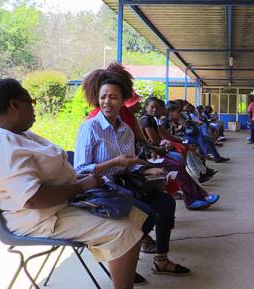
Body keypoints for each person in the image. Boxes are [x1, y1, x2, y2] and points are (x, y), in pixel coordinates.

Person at [0, 79, 146, 289]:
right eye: (30, 101)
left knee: (135, 214)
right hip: (40, 218)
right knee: (126, 232)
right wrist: (82, 186)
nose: (34, 107)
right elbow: (33, 198)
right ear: (14, 105)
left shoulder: (18, 133)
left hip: (60, 205)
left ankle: (120, 266)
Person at [74, 74, 191, 276]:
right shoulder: (90, 127)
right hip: (101, 188)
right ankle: (123, 263)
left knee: (166, 204)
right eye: (103, 97)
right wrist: (114, 162)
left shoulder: (126, 129)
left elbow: (129, 163)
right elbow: (80, 169)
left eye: (113, 97)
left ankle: (161, 260)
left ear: (122, 101)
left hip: (124, 183)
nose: (107, 102)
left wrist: (146, 169)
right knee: (145, 214)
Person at [139, 97, 221, 210]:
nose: (155, 109)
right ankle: (196, 197)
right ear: (146, 107)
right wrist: (166, 144)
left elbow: (164, 137)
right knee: (178, 165)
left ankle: (199, 195)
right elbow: (155, 141)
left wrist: (178, 142)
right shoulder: (145, 120)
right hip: (150, 156)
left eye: (157, 107)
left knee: (180, 164)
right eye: (152, 107)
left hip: (157, 152)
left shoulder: (153, 119)